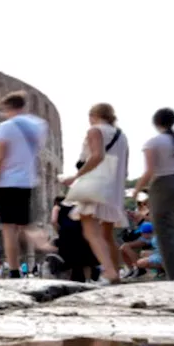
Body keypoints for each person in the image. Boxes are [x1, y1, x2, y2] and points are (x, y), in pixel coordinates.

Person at [60, 103, 128, 285]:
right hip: (114, 186)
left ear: (93, 116)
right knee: (107, 234)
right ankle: (116, 274)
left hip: (95, 184)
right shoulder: (121, 136)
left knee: (91, 231)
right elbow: (124, 166)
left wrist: (75, 176)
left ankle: (110, 271)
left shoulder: (95, 131)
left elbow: (97, 156)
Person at [0, 91, 51, 279]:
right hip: (27, 181)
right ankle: (47, 245)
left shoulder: (5, 128)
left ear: (9, 108)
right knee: (25, 223)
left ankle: (14, 270)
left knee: (9, 229)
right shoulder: (39, 126)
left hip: (7, 181)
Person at [134, 107, 174, 281]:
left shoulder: (153, 142)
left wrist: (137, 190)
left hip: (164, 184)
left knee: (167, 234)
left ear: (156, 123)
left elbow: (150, 170)